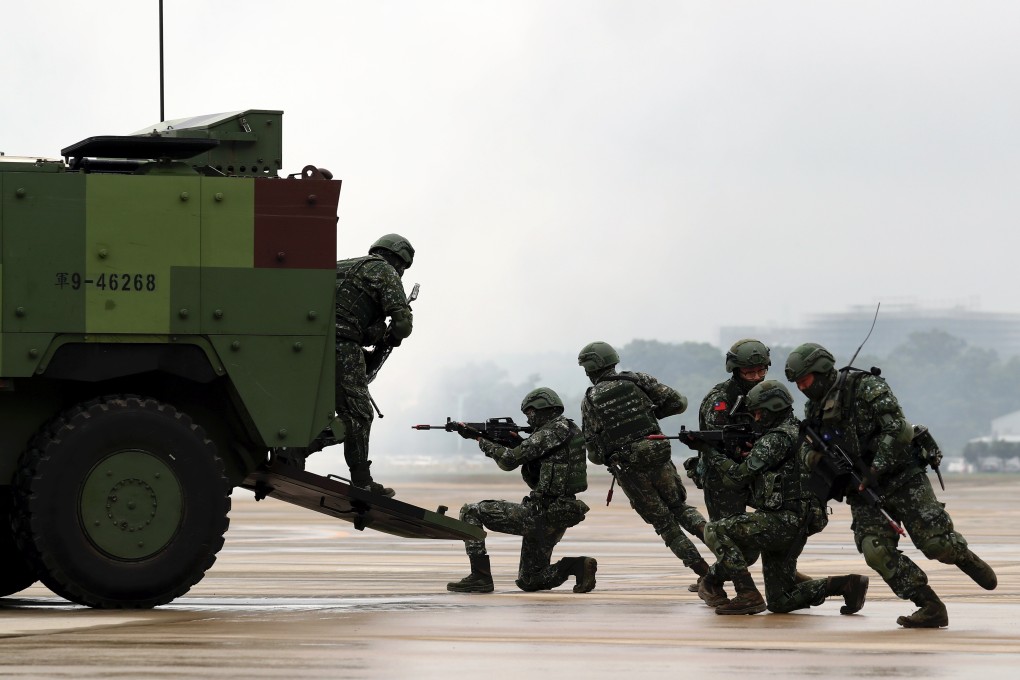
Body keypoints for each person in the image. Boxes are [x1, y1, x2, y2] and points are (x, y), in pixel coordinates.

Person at [785, 343, 998, 628]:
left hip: (902, 477)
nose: (801, 388)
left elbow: (897, 427)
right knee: (875, 550)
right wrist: (817, 459)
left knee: (936, 544)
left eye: (805, 380)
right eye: (797, 384)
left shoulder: (866, 387)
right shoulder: (815, 410)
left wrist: (877, 468)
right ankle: (929, 605)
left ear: (821, 370)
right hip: (861, 490)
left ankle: (963, 556)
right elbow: (806, 448)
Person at [698, 380, 870, 616]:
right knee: (780, 601)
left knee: (716, 530)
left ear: (772, 409)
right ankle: (844, 585)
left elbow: (737, 478)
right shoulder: (798, 431)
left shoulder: (776, 438)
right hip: (799, 522)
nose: (756, 418)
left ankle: (747, 593)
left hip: (783, 521)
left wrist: (709, 452)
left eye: (758, 413)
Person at [577, 341, 721, 597]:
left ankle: (705, 576)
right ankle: (726, 554)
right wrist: (650, 417)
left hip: (629, 468)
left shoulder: (590, 400)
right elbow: (678, 403)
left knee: (666, 525)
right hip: (658, 452)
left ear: (589, 369)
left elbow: (595, 455)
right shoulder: (637, 380)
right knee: (681, 508)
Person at [446, 387, 597, 594]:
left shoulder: (551, 431)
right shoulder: (567, 430)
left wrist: (480, 439)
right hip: (560, 513)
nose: (528, 420)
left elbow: (509, 460)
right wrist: (515, 442)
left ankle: (480, 577)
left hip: (540, 513)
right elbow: (535, 457)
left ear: (541, 409)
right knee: (530, 580)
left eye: (529, 414)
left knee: (471, 511)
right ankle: (577, 566)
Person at [330, 233, 415, 497]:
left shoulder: (343, 265)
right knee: (359, 414)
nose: (400, 272)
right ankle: (361, 480)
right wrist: (392, 335)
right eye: (402, 267)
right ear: (398, 259)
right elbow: (402, 325)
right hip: (342, 345)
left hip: (310, 344)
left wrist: (374, 331)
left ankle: (294, 449)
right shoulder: (385, 271)